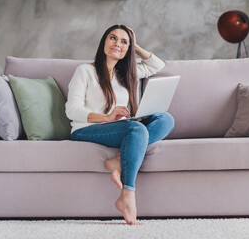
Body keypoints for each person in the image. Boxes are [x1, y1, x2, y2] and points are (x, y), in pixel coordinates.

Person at [65, 25, 175, 225]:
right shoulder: (85, 71)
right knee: (136, 128)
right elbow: (72, 110)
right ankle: (128, 195)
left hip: (121, 127)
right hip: (85, 129)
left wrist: (136, 46)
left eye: (124, 42)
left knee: (166, 119)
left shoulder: (128, 74)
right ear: (104, 42)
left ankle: (118, 160)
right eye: (113, 38)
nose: (118, 44)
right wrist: (106, 117)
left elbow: (157, 65)